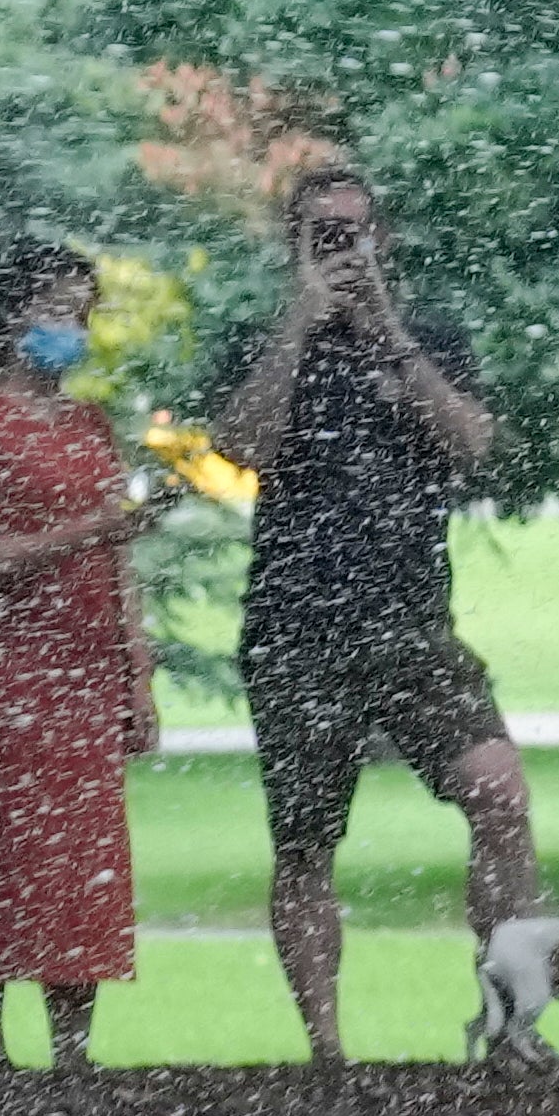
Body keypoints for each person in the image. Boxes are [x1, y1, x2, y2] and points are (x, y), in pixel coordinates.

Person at [208, 163, 528, 1063]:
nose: (345, 250)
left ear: (384, 240)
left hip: (413, 624)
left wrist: (389, 334)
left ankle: (507, 1024)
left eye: (357, 233)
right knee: (306, 843)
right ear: (295, 245)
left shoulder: (428, 335)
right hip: (296, 626)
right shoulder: (262, 338)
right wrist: (301, 323)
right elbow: (236, 449)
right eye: (325, 236)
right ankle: (328, 1054)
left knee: (499, 792)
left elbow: (470, 446)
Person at [0, 242, 171, 1073]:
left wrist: (136, 675)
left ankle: (73, 1055)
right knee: (5, 858)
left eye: (80, 312)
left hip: (86, 671)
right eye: (55, 310)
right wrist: (92, 532)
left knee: (83, 864)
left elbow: (119, 563)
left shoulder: (88, 425)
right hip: (13, 676)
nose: (69, 328)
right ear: (12, 315)